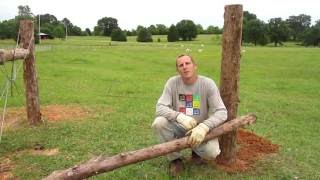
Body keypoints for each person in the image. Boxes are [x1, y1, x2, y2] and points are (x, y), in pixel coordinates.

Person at [151, 54, 228, 176]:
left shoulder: (208, 84)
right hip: (179, 126)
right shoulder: (172, 83)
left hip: (200, 129)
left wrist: (204, 127)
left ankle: (196, 152)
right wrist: (179, 117)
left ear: (195, 66)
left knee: (212, 152)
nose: (185, 67)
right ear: (178, 70)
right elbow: (160, 107)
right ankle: (175, 160)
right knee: (159, 123)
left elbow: (222, 112)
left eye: (188, 63)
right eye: (181, 65)